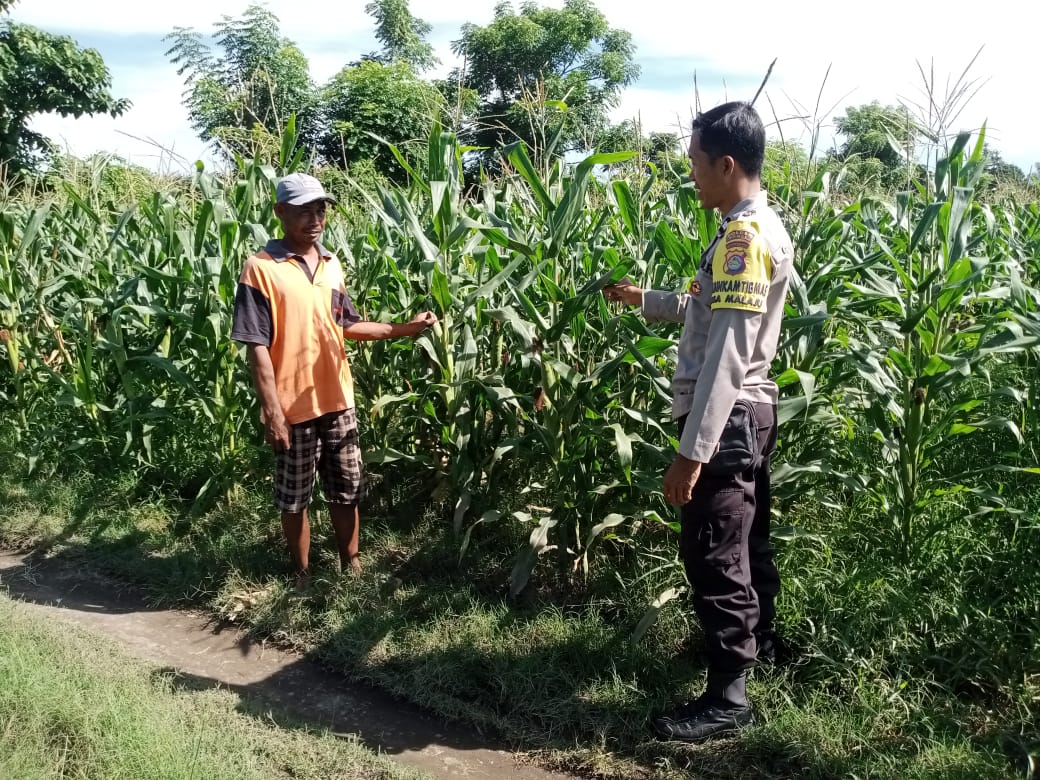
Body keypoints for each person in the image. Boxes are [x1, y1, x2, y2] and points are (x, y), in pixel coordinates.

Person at [604, 101, 793, 743]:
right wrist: (645, 300)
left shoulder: (742, 238)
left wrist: (692, 452)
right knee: (747, 542)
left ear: (726, 164)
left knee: (716, 552)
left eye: (694, 161)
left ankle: (728, 698)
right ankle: (757, 649)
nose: (691, 173)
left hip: (728, 414)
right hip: (750, 413)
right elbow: (709, 309)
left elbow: (729, 354)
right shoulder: (754, 225)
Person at [231, 172, 437, 589]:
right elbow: (256, 345)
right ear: (280, 212)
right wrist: (273, 411)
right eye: (304, 211)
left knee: (347, 489)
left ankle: (351, 567)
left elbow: (347, 324)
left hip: (337, 399)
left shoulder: (331, 264)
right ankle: (302, 576)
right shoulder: (261, 269)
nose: (315, 219)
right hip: (292, 406)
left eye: (320, 210)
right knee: (295, 498)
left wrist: (405, 328)